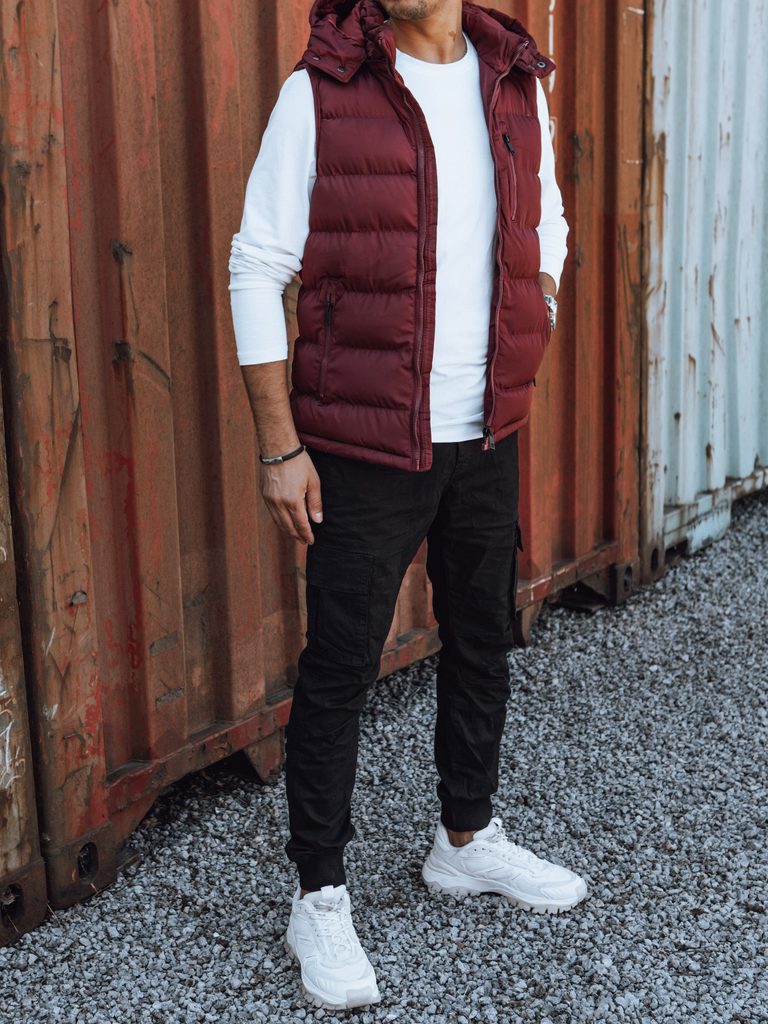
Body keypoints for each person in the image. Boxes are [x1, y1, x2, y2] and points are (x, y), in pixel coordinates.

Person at [229, 0, 587, 1010]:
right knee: (341, 666)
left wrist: (539, 303)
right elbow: (257, 263)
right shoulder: (322, 93)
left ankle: (465, 839)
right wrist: (280, 447)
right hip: (363, 445)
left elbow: (547, 218)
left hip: (487, 433)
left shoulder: (515, 82)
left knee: (482, 638)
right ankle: (319, 894)